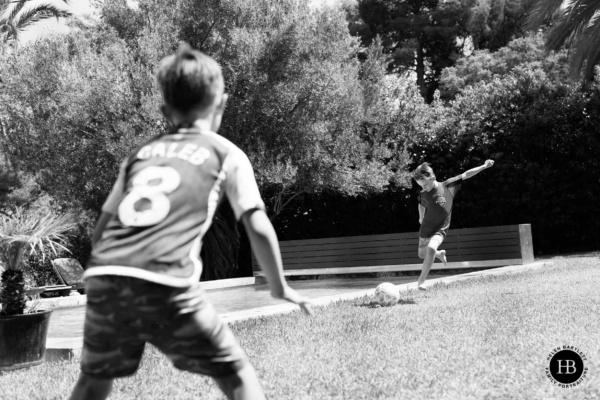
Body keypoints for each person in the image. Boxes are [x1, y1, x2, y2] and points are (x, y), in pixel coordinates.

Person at [69, 44, 314, 400]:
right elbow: (257, 223)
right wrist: (279, 287)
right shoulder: (225, 153)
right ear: (222, 103)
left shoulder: (139, 155)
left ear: (164, 110)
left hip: (105, 278)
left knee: (95, 380)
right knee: (235, 373)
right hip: (165, 280)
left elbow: (101, 231)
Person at [412, 160, 495, 290]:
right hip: (426, 228)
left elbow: (465, 174)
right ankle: (439, 254)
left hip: (441, 229)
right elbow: (420, 204)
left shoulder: (447, 186)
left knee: (431, 248)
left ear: (432, 177)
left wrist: (484, 166)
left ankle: (421, 281)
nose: (424, 188)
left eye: (425, 184)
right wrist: (420, 217)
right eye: (421, 186)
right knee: (422, 255)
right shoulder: (423, 193)